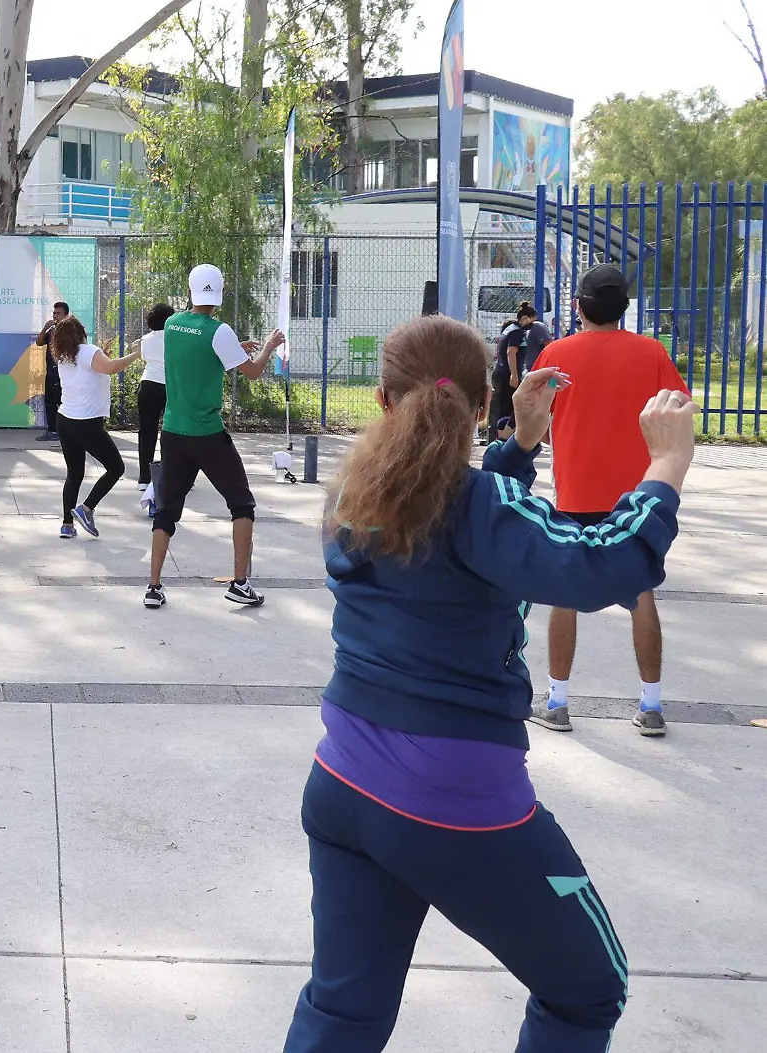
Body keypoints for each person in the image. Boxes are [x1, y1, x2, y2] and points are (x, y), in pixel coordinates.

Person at [281, 313, 696, 1053]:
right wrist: (664, 467)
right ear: (479, 405)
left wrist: (520, 446)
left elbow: (446, 528)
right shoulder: (475, 504)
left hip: (343, 784)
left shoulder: (356, 495)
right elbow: (605, 560)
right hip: (454, 803)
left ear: (382, 400)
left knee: (344, 1013)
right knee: (589, 987)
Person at [530, 264, 690, 738]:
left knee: (563, 596)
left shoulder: (557, 354)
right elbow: (680, 406)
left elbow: (533, 416)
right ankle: (652, 705)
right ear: (624, 309)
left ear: (578, 306)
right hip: (635, 498)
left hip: (575, 492)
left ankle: (557, 701)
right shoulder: (651, 352)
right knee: (641, 596)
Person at [145, 265, 284, 609]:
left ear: (191, 290)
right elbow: (251, 372)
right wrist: (266, 347)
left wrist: (235, 346)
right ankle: (240, 582)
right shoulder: (219, 330)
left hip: (173, 432)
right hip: (207, 434)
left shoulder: (173, 324)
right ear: (219, 292)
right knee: (242, 505)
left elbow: (195, 350)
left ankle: (153, 587)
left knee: (167, 511)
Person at [51, 316, 137, 538]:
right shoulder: (89, 351)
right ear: (81, 333)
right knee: (116, 467)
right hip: (87, 423)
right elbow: (112, 368)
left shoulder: (63, 357)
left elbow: (93, 372)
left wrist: (103, 358)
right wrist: (137, 354)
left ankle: (67, 525)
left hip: (66, 420)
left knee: (74, 473)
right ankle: (86, 508)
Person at [489, 302, 550, 440]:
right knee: (508, 407)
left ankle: (495, 438)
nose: (532, 325)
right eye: (532, 320)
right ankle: (502, 439)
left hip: (500, 371)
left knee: (500, 406)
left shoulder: (509, 328)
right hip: (507, 374)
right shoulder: (516, 331)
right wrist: (514, 375)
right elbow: (511, 352)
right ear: (525, 318)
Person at [135, 301, 173, 491]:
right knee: (171, 433)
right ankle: (170, 476)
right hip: (170, 387)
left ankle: (144, 478)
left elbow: (143, 356)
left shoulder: (145, 340)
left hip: (148, 385)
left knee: (146, 432)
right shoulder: (175, 337)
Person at [34, 301, 70, 442]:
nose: (55, 316)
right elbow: (38, 342)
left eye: (58, 313)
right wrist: (45, 328)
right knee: (49, 400)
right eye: (54, 313)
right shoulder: (51, 329)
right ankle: (52, 430)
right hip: (51, 372)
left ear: (66, 315)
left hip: (65, 373)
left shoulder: (69, 331)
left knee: (63, 401)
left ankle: (66, 431)